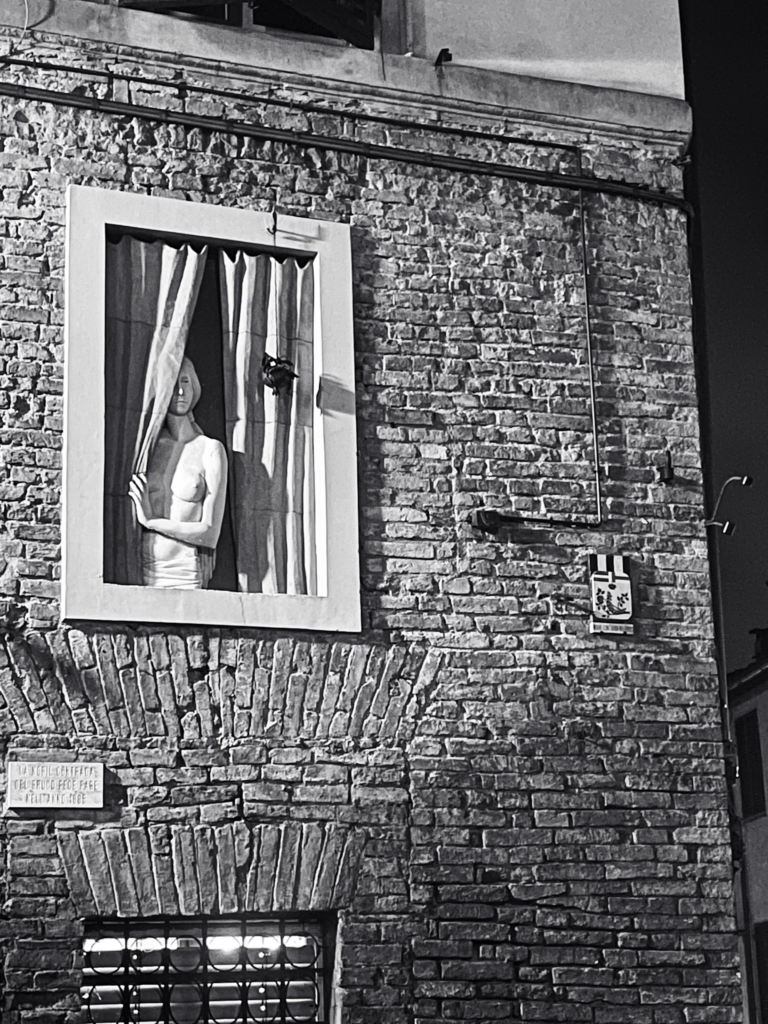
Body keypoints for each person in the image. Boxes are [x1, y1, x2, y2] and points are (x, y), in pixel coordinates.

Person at [129, 357, 228, 590]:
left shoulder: (210, 450)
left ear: (194, 386)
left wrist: (152, 522)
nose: (180, 391)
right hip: (144, 568)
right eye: (173, 383)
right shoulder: (146, 450)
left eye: (185, 381)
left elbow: (209, 533)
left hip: (185, 572)